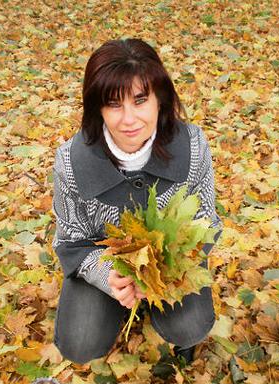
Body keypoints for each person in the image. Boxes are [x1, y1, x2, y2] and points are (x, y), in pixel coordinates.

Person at [52, 38, 223, 365]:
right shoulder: (71, 162)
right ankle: (116, 304)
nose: (129, 120)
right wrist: (108, 276)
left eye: (140, 100)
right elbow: (71, 238)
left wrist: (166, 272)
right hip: (108, 263)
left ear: (161, 98)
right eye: (114, 104)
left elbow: (207, 221)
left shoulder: (194, 147)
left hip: (172, 264)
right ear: (97, 107)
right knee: (79, 343)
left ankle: (173, 324)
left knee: (189, 326)